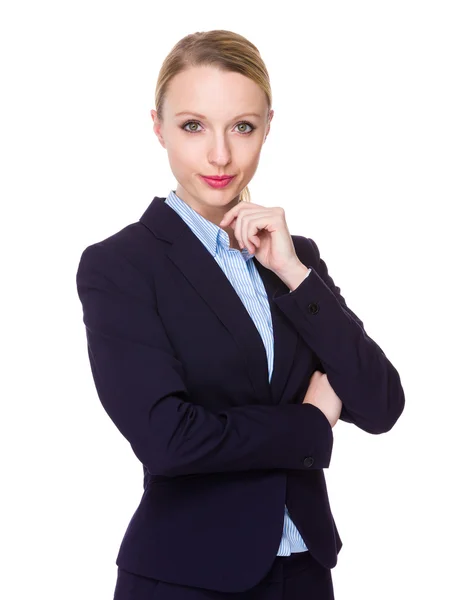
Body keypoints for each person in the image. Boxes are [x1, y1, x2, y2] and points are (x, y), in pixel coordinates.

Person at [76, 29, 405, 600]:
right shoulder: (120, 266)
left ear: (268, 126)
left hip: (304, 572)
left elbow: (380, 404)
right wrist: (309, 424)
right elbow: (168, 440)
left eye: (242, 127)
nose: (221, 155)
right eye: (193, 126)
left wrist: (296, 274)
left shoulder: (296, 257)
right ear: (157, 126)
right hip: (186, 577)